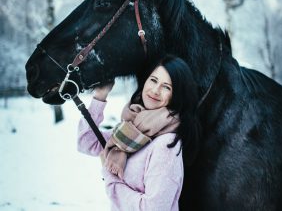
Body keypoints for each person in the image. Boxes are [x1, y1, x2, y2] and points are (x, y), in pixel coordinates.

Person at [77, 55, 201, 211]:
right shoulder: (131, 128)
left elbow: (154, 208)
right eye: (154, 80)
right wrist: (100, 97)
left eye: (166, 87)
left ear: (176, 95)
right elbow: (86, 143)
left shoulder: (166, 145)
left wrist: (112, 180)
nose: (155, 90)